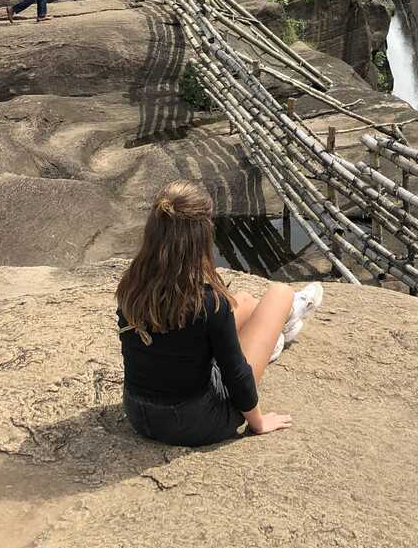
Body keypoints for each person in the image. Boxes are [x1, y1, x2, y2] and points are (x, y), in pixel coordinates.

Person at [116, 181, 323, 447]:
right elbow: (236, 374)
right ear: (203, 234)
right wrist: (258, 423)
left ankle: (277, 334)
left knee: (246, 302)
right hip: (195, 421)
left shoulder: (131, 285)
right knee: (280, 293)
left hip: (138, 412)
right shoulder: (209, 302)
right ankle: (288, 316)